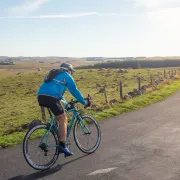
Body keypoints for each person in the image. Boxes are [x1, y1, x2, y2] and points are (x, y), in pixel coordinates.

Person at [37, 63, 90, 156]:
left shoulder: (55, 75)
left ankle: (58, 136)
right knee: (64, 118)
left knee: (59, 117)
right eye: (71, 72)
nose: (71, 74)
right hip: (51, 97)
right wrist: (84, 102)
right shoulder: (66, 76)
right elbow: (74, 90)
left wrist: (66, 106)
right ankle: (62, 145)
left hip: (41, 96)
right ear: (68, 70)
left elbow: (60, 96)